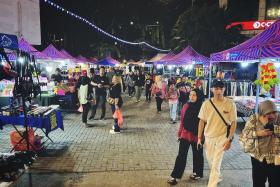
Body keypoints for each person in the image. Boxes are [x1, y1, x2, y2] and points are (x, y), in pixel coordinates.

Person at [197, 79, 237, 187]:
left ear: (224, 89)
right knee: (211, 161)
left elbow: (233, 123)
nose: (218, 91)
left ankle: (212, 184)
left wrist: (229, 139)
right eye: (216, 88)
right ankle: (217, 176)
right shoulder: (206, 104)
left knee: (216, 163)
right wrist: (199, 138)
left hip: (222, 137)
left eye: (220, 88)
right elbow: (201, 121)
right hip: (208, 137)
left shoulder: (230, 104)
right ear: (212, 89)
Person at [167, 89, 204, 185]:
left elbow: (205, 123)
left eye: (194, 95)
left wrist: (202, 137)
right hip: (185, 134)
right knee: (181, 156)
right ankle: (175, 176)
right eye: (190, 95)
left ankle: (197, 172)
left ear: (198, 96)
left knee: (198, 155)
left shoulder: (203, 108)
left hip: (198, 136)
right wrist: (179, 134)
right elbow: (182, 121)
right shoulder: (186, 106)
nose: (191, 97)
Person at [241, 100, 280, 187]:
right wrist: (258, 133)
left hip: (275, 159)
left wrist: (274, 128)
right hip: (258, 158)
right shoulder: (254, 119)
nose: (273, 116)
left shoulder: (279, 118)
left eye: (274, 112)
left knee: (276, 183)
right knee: (258, 183)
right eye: (269, 113)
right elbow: (244, 134)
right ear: (263, 112)